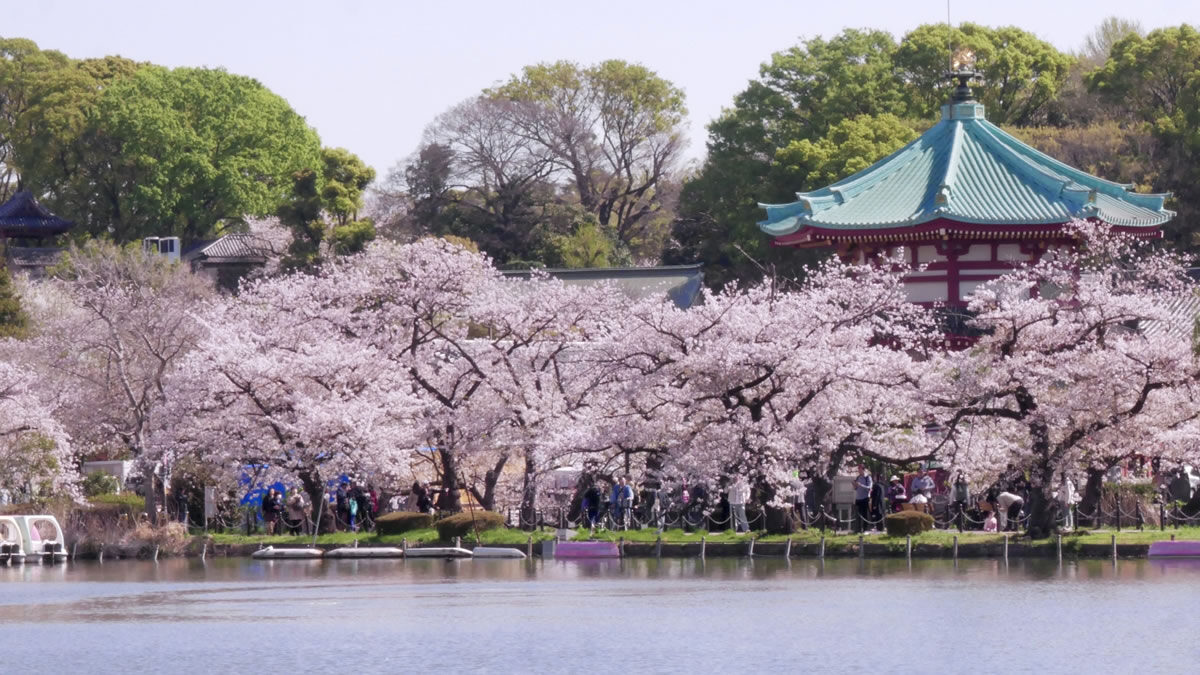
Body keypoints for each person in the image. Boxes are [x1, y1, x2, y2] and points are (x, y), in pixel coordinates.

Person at [853, 465, 872, 532]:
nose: (859, 471)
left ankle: (865, 529)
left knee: (865, 514)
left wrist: (861, 485)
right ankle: (857, 529)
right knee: (857, 514)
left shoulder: (867, 477)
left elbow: (869, 488)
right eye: (858, 470)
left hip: (865, 498)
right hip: (858, 498)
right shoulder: (858, 477)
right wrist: (855, 485)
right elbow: (855, 488)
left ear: (863, 470)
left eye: (860, 469)